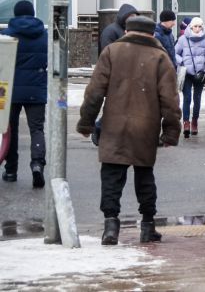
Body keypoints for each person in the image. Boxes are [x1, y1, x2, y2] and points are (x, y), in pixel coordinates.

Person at [77, 16, 181, 245]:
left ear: (127, 31)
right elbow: (170, 101)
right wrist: (171, 132)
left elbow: (94, 92)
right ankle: (147, 226)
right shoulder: (160, 58)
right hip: (145, 127)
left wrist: (86, 123)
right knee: (144, 176)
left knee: (112, 176)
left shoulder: (111, 52)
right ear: (151, 34)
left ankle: (111, 226)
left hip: (113, 126)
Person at [1, 1, 47, 188]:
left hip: (10, 89)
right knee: (36, 129)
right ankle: (37, 164)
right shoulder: (44, 36)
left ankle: (11, 170)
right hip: (36, 89)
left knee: (9, 129)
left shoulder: (6, 35)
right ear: (33, 13)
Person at [175, 17, 205, 138]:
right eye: (195, 26)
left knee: (197, 99)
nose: (197, 28)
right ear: (190, 27)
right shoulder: (182, 39)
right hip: (187, 73)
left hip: (200, 74)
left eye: (199, 26)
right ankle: (186, 122)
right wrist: (182, 62)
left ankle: (195, 121)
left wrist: (203, 61)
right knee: (187, 98)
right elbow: (175, 53)